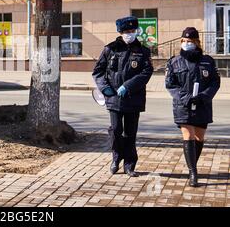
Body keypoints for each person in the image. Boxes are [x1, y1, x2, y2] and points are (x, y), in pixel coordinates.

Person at [92, 16, 154, 177]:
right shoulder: (110, 49)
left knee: (130, 133)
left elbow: (146, 72)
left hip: (134, 98)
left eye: (132, 31)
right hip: (113, 98)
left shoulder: (143, 50)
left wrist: (128, 86)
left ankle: (129, 164)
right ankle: (116, 158)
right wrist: (106, 90)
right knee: (116, 130)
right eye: (127, 31)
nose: (130, 34)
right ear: (120, 32)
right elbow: (98, 72)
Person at [165, 27, 220, 187]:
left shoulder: (208, 61)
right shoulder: (174, 62)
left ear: (196, 43)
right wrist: (186, 97)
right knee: (188, 136)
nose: (186, 44)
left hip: (203, 104)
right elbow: (170, 84)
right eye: (184, 41)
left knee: (199, 137)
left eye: (190, 41)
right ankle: (193, 172)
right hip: (183, 105)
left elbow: (215, 82)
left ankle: (191, 165)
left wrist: (204, 96)